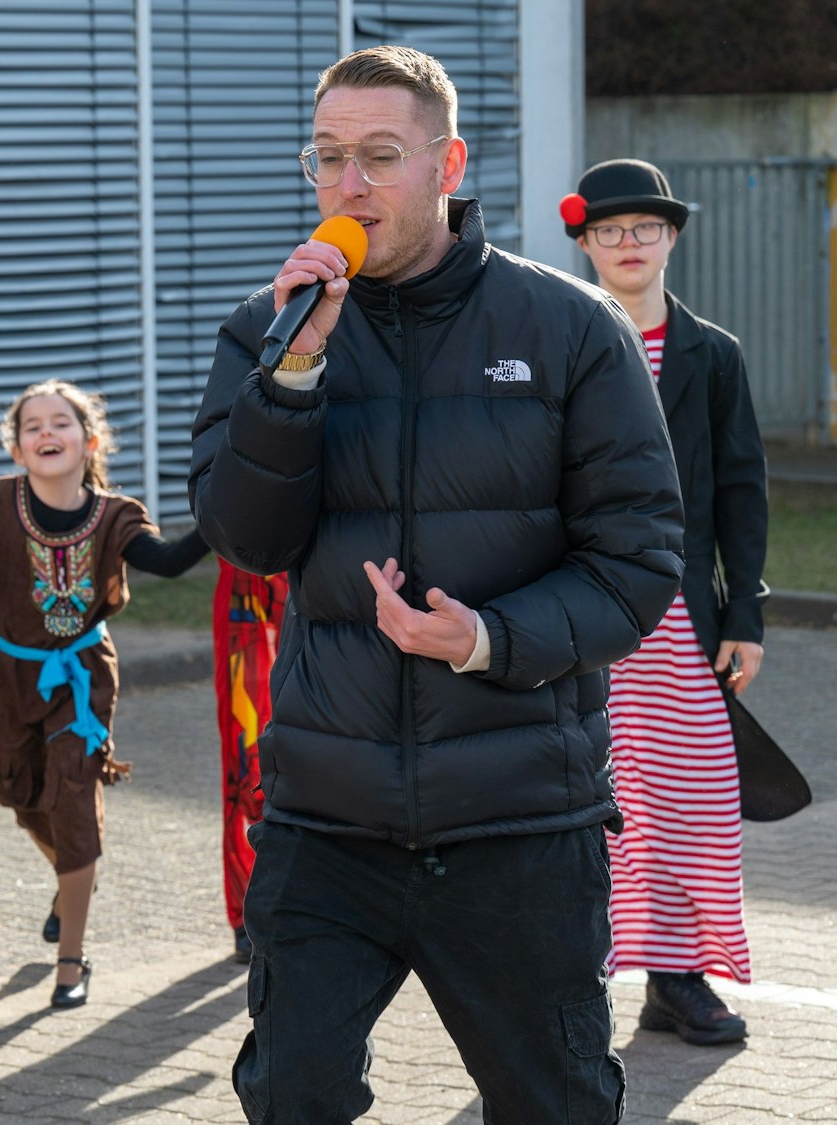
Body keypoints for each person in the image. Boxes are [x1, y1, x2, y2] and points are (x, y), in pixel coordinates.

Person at [188, 46, 683, 1121]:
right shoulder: (264, 329)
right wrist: (295, 376)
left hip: (516, 824)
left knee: (550, 1102)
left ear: (446, 164)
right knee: (290, 1095)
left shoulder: (567, 329)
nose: (347, 186)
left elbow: (635, 563)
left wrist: (484, 640)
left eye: (378, 156)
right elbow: (243, 539)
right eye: (326, 159)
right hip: (327, 819)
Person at [0, 380, 206, 1007]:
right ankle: (70, 873)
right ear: (17, 449)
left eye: (61, 423)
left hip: (83, 676)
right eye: (32, 426)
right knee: (19, 794)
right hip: (11, 675)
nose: (46, 433)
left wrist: (225, 515)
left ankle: (71, 963)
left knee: (73, 797)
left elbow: (174, 561)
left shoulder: (117, 515)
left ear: (89, 440)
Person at [565, 159, 769, 1045]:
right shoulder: (561, 336)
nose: (628, 243)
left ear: (673, 237)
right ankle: (568, 980)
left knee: (692, 799)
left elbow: (742, 490)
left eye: (645, 227)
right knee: (591, 796)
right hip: (580, 607)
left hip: (681, 612)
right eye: (609, 230)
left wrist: (747, 616)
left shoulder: (712, 353)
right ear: (584, 242)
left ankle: (679, 978)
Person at [212, 560, 286, 966]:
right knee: (246, 768)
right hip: (247, 608)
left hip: (320, 592)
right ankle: (247, 914)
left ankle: (314, 905)